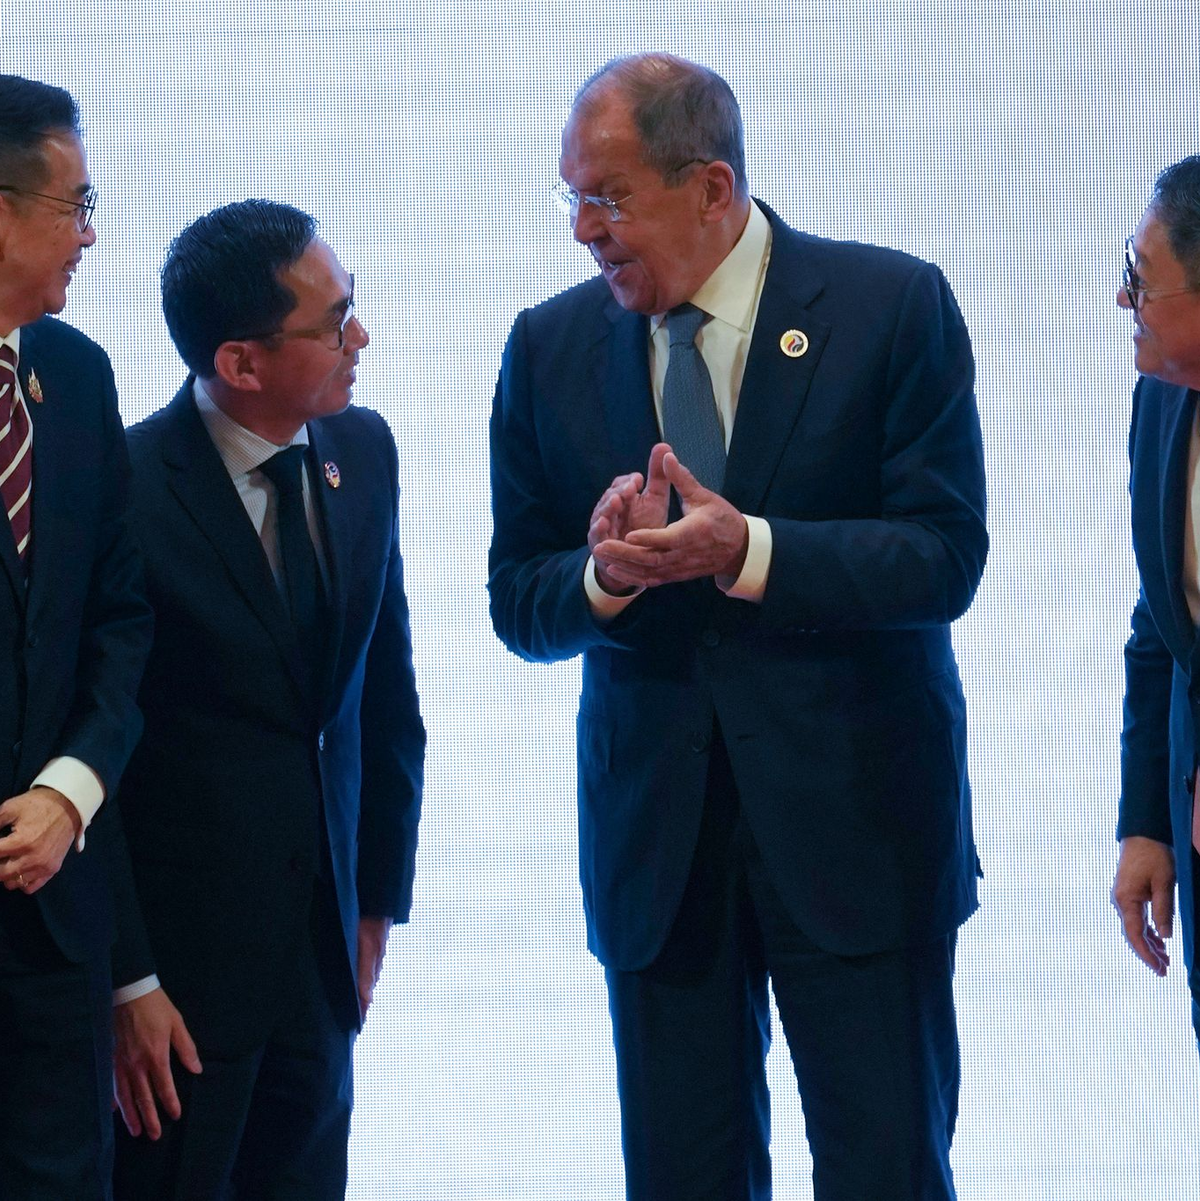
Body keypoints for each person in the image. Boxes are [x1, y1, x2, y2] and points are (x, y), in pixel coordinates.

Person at [488, 53, 987, 1199]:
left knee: (888, 1169)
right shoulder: (548, 346)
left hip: (860, 837)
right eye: (571, 196)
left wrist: (750, 551)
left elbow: (944, 555)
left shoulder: (888, 307)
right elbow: (520, 595)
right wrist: (604, 578)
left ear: (712, 187)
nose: (584, 231)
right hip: (660, 855)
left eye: (608, 197)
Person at [109, 199, 426, 1200]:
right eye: (334, 322)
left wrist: (375, 901)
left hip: (321, 975)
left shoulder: (361, 453)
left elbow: (384, 701)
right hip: (177, 1001)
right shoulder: (121, 490)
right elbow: (88, 755)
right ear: (241, 363)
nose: (359, 338)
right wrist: (126, 979)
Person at [0, 75, 152, 1200]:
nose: (90, 235)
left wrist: (73, 784)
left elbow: (119, 616)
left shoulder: (77, 374)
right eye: (76, 202)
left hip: (52, 925)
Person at [1112, 155, 1200, 1043]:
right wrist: (1148, 822)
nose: (1123, 298)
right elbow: (1159, 626)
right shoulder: (1162, 399)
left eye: (1142, 279)